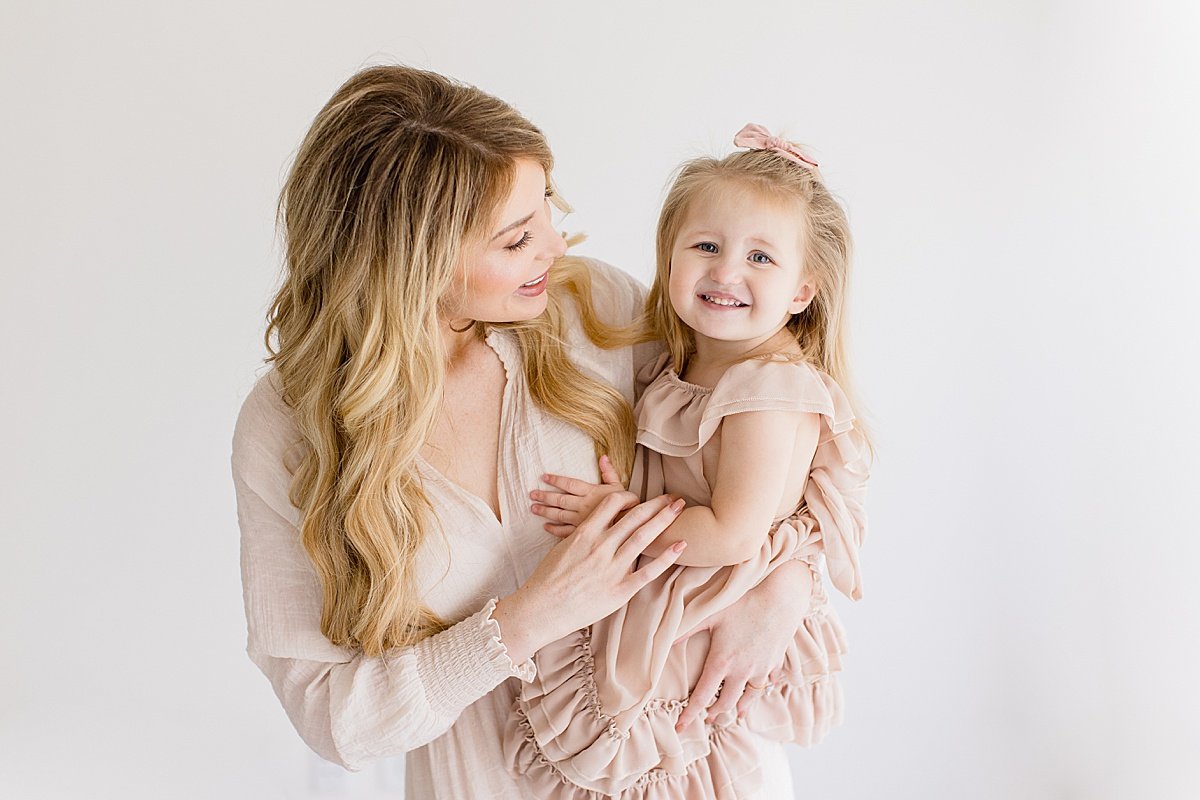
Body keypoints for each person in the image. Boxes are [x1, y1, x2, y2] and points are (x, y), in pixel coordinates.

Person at [231, 66, 817, 799]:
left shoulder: (592, 308)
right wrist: (532, 617)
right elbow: (335, 720)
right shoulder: (290, 426)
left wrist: (789, 582)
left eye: (546, 206)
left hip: (688, 765)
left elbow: (786, 423)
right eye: (515, 241)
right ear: (411, 266)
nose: (554, 243)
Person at [504, 125, 872, 798]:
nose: (727, 272)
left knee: (692, 758)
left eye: (761, 257)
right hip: (682, 586)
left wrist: (617, 522)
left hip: (713, 594)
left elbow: (733, 532)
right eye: (706, 246)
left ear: (802, 292)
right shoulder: (693, 357)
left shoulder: (767, 389)